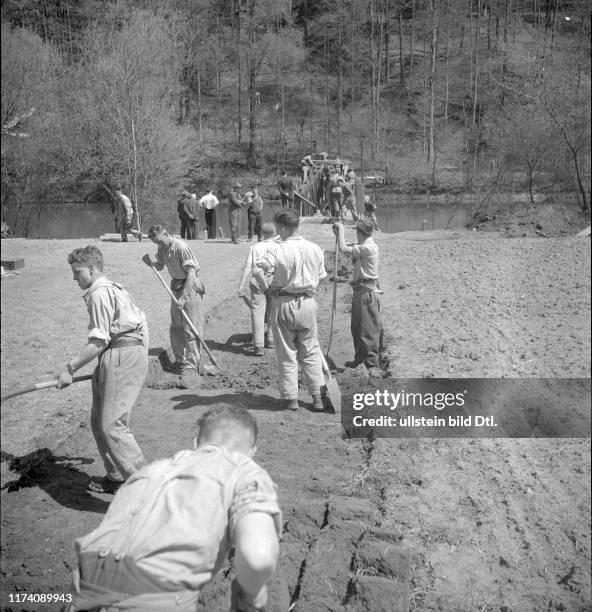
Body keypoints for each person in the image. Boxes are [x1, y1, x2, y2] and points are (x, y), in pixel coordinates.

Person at [66, 405, 281, 612]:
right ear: (252, 451)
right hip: (153, 597)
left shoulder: (150, 471)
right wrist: (253, 595)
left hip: (80, 589)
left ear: (196, 442)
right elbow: (258, 557)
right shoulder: (244, 470)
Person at [55, 246, 148, 494]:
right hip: (115, 356)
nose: (75, 278)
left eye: (78, 272)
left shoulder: (100, 292)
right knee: (98, 422)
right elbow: (142, 320)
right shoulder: (111, 288)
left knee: (112, 426)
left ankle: (148, 488)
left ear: (92, 268)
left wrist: (70, 368)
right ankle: (116, 475)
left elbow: (98, 340)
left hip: (121, 355)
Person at [254, 209, 329, 412]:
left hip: (283, 302)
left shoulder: (277, 249)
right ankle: (318, 397)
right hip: (307, 302)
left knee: (287, 353)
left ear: (284, 228)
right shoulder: (314, 248)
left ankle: (291, 398)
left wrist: (268, 289)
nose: (278, 232)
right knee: (311, 351)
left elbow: (257, 269)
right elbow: (322, 277)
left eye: (279, 228)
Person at [143, 225, 205, 389]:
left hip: (190, 288)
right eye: (155, 242)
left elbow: (191, 274)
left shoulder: (181, 247)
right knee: (176, 326)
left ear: (166, 234)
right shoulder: (161, 247)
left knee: (191, 329)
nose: (158, 245)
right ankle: (180, 360)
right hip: (176, 288)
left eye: (159, 240)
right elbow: (161, 265)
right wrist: (151, 264)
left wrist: (184, 298)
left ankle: (192, 366)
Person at [332, 219, 383, 378]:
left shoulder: (368, 247)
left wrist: (340, 228)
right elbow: (346, 243)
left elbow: (343, 248)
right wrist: (338, 233)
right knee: (356, 329)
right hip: (359, 291)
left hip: (367, 293)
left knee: (368, 330)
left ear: (360, 232)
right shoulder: (365, 243)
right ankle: (359, 359)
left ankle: (372, 366)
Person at [238, 222, 278, 356]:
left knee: (257, 312)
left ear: (261, 234)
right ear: (275, 233)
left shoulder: (255, 247)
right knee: (274, 310)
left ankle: (258, 345)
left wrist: (241, 285)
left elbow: (248, 266)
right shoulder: (279, 247)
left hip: (257, 279)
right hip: (273, 279)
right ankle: (271, 339)